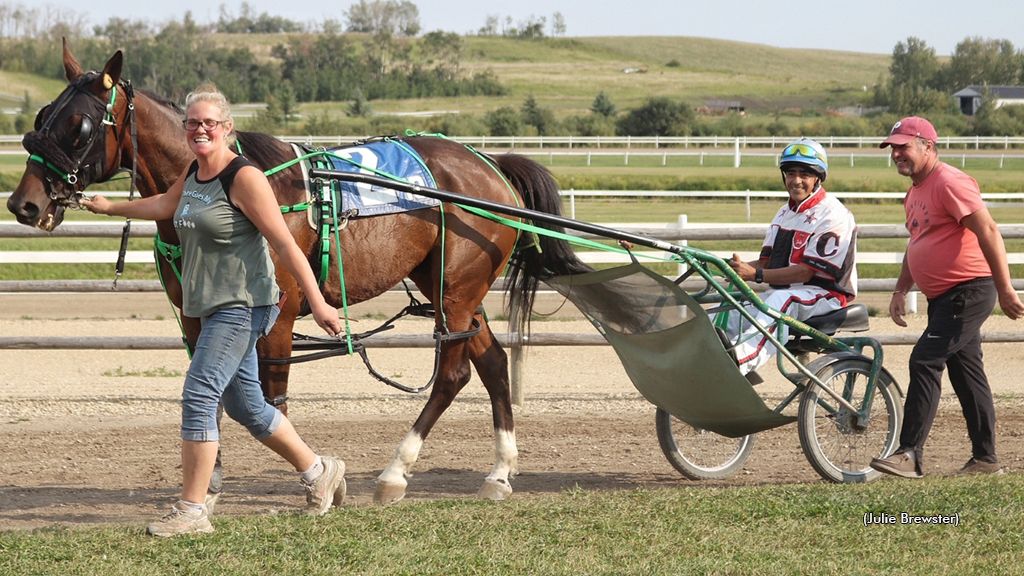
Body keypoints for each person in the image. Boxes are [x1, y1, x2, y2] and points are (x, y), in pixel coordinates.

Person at [82, 84, 347, 536]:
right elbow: (166, 204)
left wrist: (319, 303)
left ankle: (192, 509)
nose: (200, 129)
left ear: (226, 128)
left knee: (200, 395)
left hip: (243, 304)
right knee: (247, 406)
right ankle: (320, 471)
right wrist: (110, 207)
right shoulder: (194, 171)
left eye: (209, 122)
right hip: (212, 305)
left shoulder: (244, 178)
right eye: (192, 123)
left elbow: (284, 242)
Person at [869, 116, 1024, 479]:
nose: (896, 154)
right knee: (967, 374)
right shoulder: (915, 191)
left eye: (903, 146)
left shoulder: (949, 182)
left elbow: (988, 229)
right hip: (945, 296)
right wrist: (901, 288)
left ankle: (909, 454)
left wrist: (1005, 288)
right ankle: (986, 460)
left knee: (925, 360)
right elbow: (917, 243)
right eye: (893, 148)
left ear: (928, 147)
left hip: (969, 290)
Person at [720, 138, 858, 379]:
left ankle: (739, 363)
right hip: (787, 295)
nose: (796, 180)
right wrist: (727, 267)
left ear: (818, 177)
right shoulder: (784, 212)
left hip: (826, 296)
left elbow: (805, 273)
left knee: (780, 302)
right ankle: (711, 355)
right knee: (731, 309)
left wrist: (756, 275)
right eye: (790, 173)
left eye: (805, 174)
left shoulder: (833, 214)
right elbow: (765, 264)